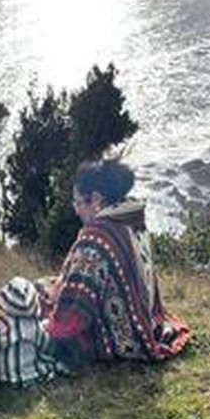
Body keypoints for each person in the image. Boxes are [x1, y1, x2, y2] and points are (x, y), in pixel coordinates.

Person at [45, 159, 191, 370]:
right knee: (45, 288)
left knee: (34, 298)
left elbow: (73, 311)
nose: (76, 210)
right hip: (146, 319)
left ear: (96, 199)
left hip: (123, 338)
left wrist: (52, 313)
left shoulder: (98, 235)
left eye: (77, 202)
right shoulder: (131, 218)